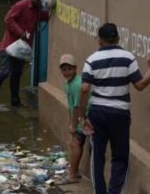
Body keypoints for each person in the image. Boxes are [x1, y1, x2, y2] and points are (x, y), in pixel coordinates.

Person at [78, 23, 150, 194]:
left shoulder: (92, 60)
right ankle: (114, 192)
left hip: (98, 114)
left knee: (97, 157)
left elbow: (84, 89)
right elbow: (140, 85)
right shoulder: (128, 58)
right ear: (118, 38)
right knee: (120, 157)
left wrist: (82, 117)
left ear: (100, 41)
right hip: (120, 114)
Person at [0, 0, 49, 108]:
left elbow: (47, 16)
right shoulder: (21, 5)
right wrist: (20, 33)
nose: (41, 8)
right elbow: (8, 19)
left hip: (22, 49)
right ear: (37, 0)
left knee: (16, 74)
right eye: (40, 5)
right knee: (4, 72)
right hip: (9, 46)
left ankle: (15, 101)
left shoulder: (37, 11)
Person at [58, 54, 87, 184]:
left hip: (84, 117)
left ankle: (72, 175)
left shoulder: (77, 84)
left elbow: (76, 107)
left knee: (75, 144)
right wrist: (71, 123)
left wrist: (74, 125)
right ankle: (74, 171)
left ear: (75, 68)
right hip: (79, 117)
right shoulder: (68, 83)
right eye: (64, 70)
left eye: (69, 69)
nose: (67, 72)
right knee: (77, 144)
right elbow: (71, 106)